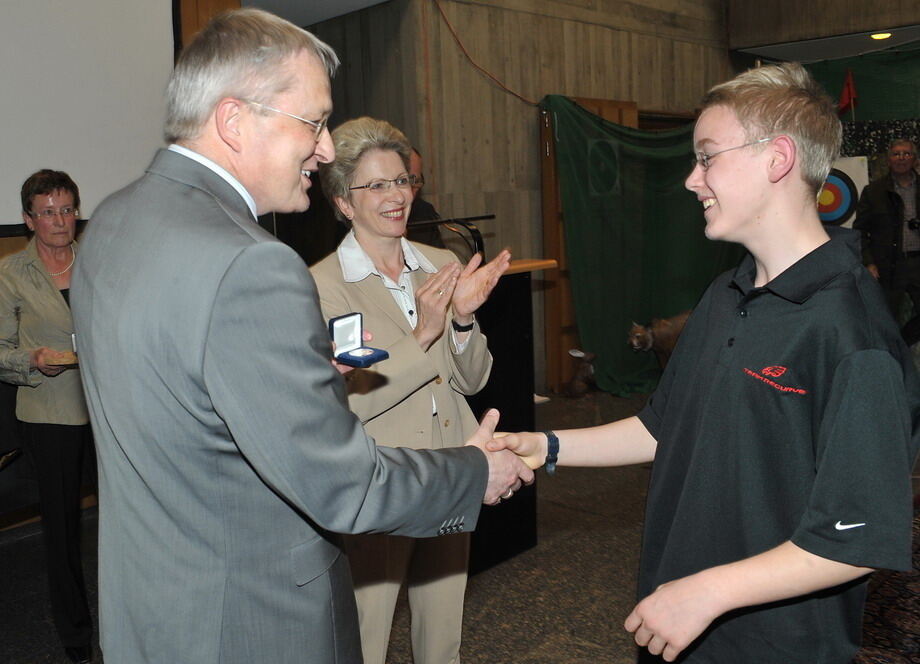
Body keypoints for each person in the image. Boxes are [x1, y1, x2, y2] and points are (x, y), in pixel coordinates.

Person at [69, 9, 531, 664]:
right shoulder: (254, 264)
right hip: (252, 621)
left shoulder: (114, 220)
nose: (322, 149)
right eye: (313, 122)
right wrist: (473, 472)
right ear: (233, 120)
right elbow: (341, 484)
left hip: (156, 606)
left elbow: (183, 401)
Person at [489, 63, 920, 663]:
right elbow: (662, 427)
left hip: (771, 644)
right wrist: (547, 445)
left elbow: (854, 539)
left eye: (708, 156)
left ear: (777, 159)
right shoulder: (727, 294)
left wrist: (709, 592)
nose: (693, 180)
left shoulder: (854, 332)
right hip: (680, 621)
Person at [311, 117, 511, 664]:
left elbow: (471, 380)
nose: (396, 196)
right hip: (382, 480)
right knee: (367, 636)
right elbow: (348, 397)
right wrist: (423, 334)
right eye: (376, 185)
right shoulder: (325, 287)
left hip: (451, 466)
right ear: (344, 203)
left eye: (401, 181)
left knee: (443, 632)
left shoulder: (440, 264)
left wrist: (463, 320)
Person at [0, 170, 93, 664]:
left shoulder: (100, 261)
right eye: (48, 211)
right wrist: (29, 360)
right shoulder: (11, 273)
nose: (60, 220)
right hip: (50, 412)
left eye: (67, 209)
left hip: (110, 409)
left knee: (127, 521)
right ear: (28, 219)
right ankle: (76, 637)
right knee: (62, 531)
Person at [853, 138, 920, 343]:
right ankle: (896, 354)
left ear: (915, 159)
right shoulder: (873, 191)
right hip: (889, 266)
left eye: (906, 154)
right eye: (896, 154)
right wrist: (869, 262)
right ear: (888, 160)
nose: (901, 158)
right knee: (887, 318)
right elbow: (860, 231)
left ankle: (904, 343)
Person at [405, 147, 446, 248]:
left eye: (416, 181)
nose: (410, 194)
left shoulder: (424, 212)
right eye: (404, 181)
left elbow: (438, 260)